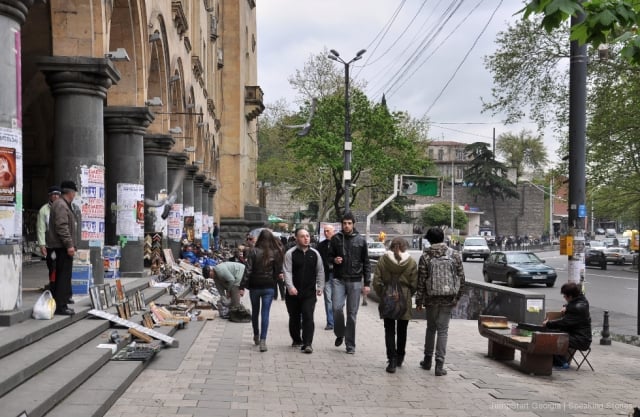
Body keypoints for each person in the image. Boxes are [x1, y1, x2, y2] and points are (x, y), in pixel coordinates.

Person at [415, 227, 465, 376]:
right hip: (448, 298)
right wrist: (457, 297)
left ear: (429, 240)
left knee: (431, 329)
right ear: (443, 238)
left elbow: (421, 280)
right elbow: (461, 278)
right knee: (443, 331)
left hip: (431, 298)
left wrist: (419, 300)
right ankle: (439, 365)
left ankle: (427, 360)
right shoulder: (454, 254)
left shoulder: (425, 256)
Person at [372, 237, 418, 373]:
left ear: (391, 246)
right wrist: (408, 294)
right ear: (405, 247)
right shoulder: (411, 262)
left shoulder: (383, 260)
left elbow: (376, 281)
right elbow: (414, 283)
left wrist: (384, 293)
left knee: (389, 330)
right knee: (402, 330)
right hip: (405, 297)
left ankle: (391, 360)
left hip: (388, 296)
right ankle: (400, 357)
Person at [329, 212, 371, 354]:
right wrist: (334, 260)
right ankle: (340, 333)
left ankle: (350, 344)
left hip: (355, 281)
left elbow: (366, 262)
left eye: (349, 223)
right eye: (344, 223)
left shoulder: (361, 240)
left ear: (353, 224)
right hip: (339, 279)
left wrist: (367, 283)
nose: (346, 226)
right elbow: (328, 258)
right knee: (336, 308)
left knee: (352, 314)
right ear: (341, 224)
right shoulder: (335, 239)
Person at [240, 229, 284, 352]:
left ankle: (256, 335)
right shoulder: (275, 252)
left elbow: (247, 270)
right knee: (265, 313)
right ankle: (263, 340)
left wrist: (242, 286)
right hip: (268, 287)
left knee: (255, 312)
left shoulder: (253, 251)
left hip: (255, 286)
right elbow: (277, 271)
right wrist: (273, 280)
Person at [283, 228, 324, 354]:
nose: (306, 238)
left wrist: (320, 287)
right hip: (293, 293)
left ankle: (308, 343)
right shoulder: (290, 254)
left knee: (308, 316)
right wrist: (290, 287)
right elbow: (287, 271)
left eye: (307, 236)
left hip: (309, 292)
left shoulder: (315, 254)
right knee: (294, 317)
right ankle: (296, 339)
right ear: (296, 238)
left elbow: (320, 271)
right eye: (303, 236)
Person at [46, 180, 78, 315]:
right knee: (62, 276)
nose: (75, 195)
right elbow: (62, 227)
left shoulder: (64, 204)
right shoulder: (61, 205)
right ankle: (61, 306)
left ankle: (63, 303)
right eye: (75, 192)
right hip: (60, 247)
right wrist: (69, 245)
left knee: (64, 276)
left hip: (62, 247)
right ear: (70, 192)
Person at [543, 282, 592, 368]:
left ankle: (561, 362)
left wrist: (548, 323)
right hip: (579, 335)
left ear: (570, 296)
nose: (564, 297)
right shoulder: (583, 300)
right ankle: (559, 359)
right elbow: (574, 303)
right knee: (553, 333)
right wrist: (566, 306)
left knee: (552, 337)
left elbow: (564, 322)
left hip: (581, 339)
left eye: (565, 296)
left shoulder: (577, 308)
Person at [37, 186, 61, 291]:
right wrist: (42, 244)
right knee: (52, 267)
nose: (55, 196)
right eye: (53, 194)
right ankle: (53, 288)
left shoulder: (65, 207)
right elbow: (41, 229)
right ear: (49, 196)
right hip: (50, 245)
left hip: (63, 245)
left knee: (64, 269)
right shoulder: (44, 210)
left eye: (57, 194)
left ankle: (62, 291)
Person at [317, 224, 335, 330]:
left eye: (328, 230)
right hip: (327, 275)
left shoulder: (339, 243)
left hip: (338, 276)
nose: (326, 232)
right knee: (328, 299)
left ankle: (337, 320)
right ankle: (330, 322)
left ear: (333, 231)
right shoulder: (321, 245)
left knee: (337, 300)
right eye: (324, 231)